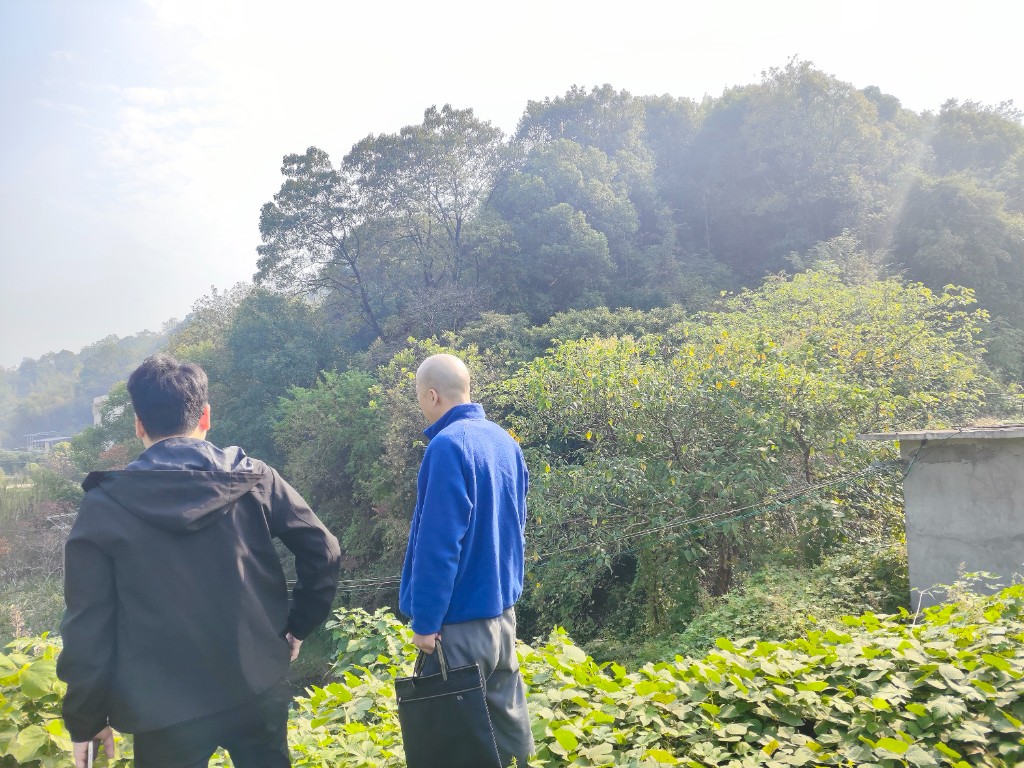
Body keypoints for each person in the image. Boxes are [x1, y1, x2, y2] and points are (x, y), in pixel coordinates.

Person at [57, 353, 341, 768]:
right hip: (256, 683)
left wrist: (85, 717)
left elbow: (87, 622)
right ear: (205, 415)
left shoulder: (105, 504)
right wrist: (298, 627)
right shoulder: (254, 479)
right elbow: (324, 550)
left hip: (161, 706)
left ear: (139, 423)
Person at [399, 353, 534, 766]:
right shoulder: (505, 442)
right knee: (507, 733)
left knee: (454, 745)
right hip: (501, 618)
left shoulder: (446, 446)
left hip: (458, 626)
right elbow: (517, 527)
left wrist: (425, 622)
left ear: (433, 395)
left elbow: (438, 546)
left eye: (421, 399)